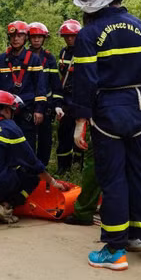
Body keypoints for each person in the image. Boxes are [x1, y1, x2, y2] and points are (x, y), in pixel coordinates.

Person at [70, 0, 141, 269]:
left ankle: (115, 250)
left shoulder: (87, 35)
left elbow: (85, 81)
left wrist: (80, 122)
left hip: (107, 110)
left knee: (112, 180)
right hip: (139, 106)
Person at [0, 90, 66, 224]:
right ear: (6, 109)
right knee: (31, 176)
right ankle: (6, 206)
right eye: (12, 111)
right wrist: (52, 182)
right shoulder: (9, 127)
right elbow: (32, 162)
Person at [0, 21, 48, 158]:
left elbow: (40, 87)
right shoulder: (1, 60)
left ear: (25, 38)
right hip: (5, 112)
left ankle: (28, 176)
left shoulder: (34, 60)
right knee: (5, 146)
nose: (15, 39)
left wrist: (39, 110)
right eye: (12, 36)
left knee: (27, 147)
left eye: (19, 36)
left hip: (26, 111)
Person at [28, 22, 61, 165]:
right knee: (27, 138)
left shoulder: (49, 58)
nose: (36, 40)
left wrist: (57, 105)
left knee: (45, 139)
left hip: (45, 105)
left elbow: (55, 84)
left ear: (44, 38)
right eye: (33, 37)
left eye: (39, 37)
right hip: (28, 104)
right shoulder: (23, 56)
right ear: (28, 38)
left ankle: (42, 167)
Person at [54, 19, 82, 173]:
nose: (69, 38)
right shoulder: (63, 53)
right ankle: (63, 168)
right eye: (66, 36)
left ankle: (78, 166)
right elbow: (61, 77)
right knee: (64, 133)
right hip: (66, 99)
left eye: (72, 36)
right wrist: (58, 103)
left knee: (80, 134)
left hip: (80, 100)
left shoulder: (86, 51)